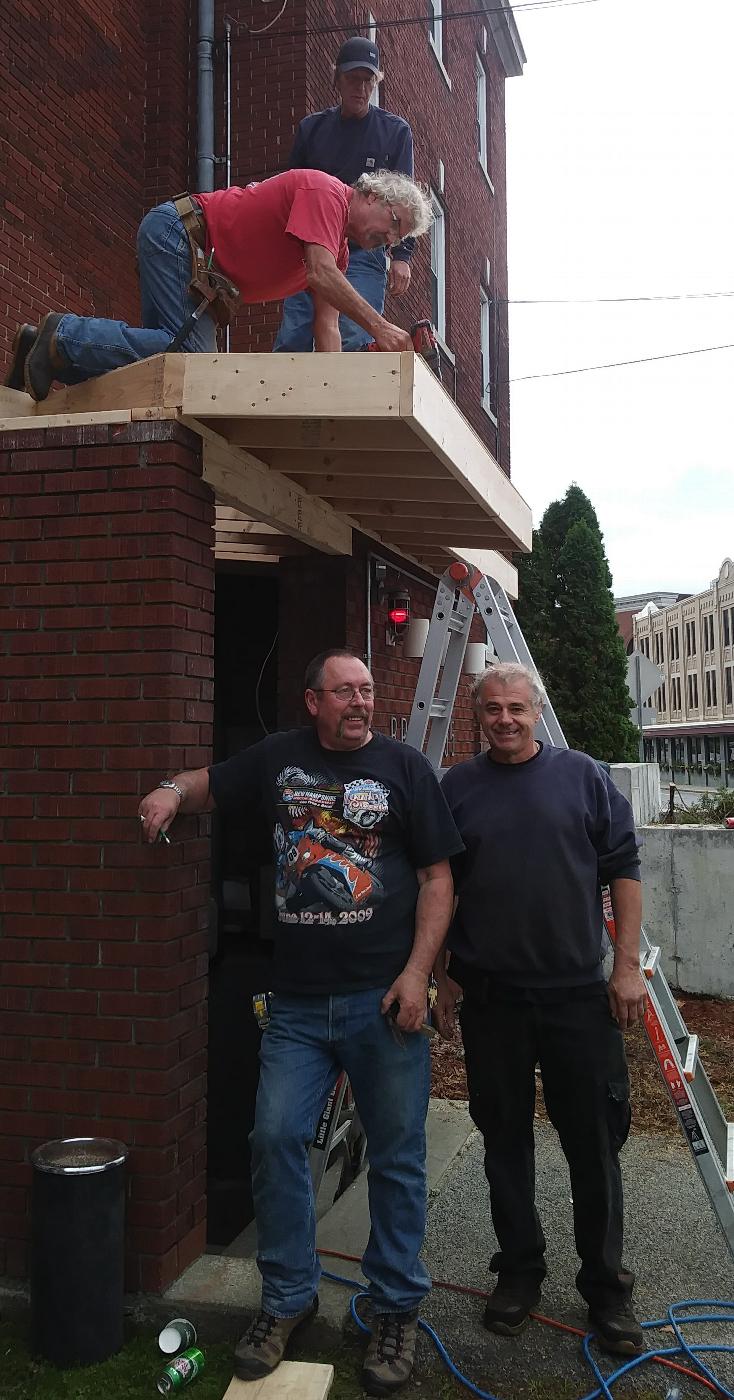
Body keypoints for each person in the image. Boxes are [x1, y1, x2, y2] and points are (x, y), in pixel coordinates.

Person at [138, 648, 463, 1395]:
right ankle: (287, 1298)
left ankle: (395, 1309)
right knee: (274, 1137)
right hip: (298, 1006)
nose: (360, 701)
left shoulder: (405, 769)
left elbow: (438, 878)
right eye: (344, 691)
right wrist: (169, 791)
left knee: (398, 1156)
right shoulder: (278, 759)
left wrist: (419, 974)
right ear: (313, 701)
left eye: (367, 690)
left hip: (384, 1002)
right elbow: (211, 782)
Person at [433, 662, 648, 1357]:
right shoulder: (456, 789)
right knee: (503, 1141)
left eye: (516, 709)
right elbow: (438, 886)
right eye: (492, 709)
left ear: (536, 712)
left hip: (577, 997)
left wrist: (625, 968)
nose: (505, 719)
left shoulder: (584, 778)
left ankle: (606, 1288)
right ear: (477, 715)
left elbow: (624, 871)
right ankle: (519, 1272)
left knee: (594, 1144)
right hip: (492, 999)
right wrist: (438, 977)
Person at [5, 167, 433, 402]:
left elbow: (328, 330)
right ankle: (62, 337)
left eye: (399, 240)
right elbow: (321, 274)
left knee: (166, 378)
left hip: (196, 264)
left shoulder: (337, 253)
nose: (390, 240)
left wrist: (332, 399)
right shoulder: (325, 193)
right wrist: (381, 328)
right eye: (395, 223)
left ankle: (48, 352)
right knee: (191, 366)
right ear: (372, 195)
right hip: (180, 235)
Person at [274, 36, 415, 353]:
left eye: (368, 81)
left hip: (363, 252)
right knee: (294, 333)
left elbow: (405, 201)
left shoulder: (395, 132)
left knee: (356, 337)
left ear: (376, 83)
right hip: (312, 248)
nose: (361, 89)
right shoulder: (312, 129)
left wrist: (402, 256)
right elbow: (291, 192)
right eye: (353, 79)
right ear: (336, 78)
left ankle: (349, 387)